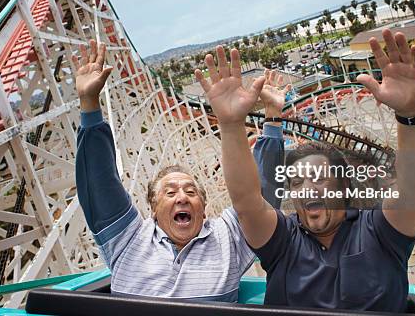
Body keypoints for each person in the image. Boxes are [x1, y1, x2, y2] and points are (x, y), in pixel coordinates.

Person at [195, 28, 415, 312]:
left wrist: (411, 116)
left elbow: (413, 188)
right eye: (296, 183)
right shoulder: (283, 239)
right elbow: (247, 201)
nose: (307, 187)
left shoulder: (379, 229)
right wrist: (231, 125)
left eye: (319, 179)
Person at [73, 40, 286, 302]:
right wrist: (89, 104)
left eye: (191, 191)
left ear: (204, 207)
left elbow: (260, 199)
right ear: (152, 207)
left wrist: (273, 117)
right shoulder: (129, 239)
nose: (182, 197)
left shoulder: (227, 237)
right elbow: (99, 184)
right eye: (170, 192)